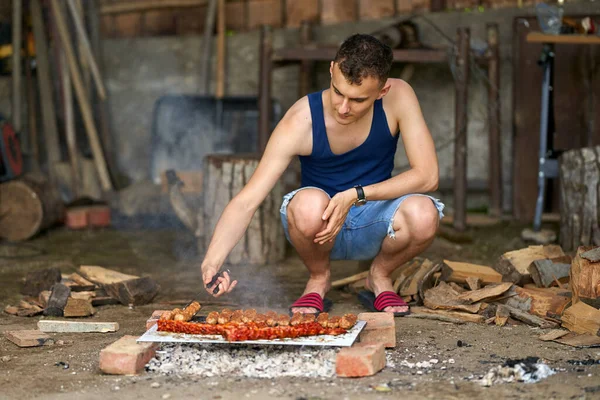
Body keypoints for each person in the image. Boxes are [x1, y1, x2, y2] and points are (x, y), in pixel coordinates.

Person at [200, 33, 444, 315]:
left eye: (358, 100)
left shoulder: (399, 96)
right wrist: (212, 261)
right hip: (320, 227)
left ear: (382, 92)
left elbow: (428, 176)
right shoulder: (301, 119)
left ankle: (379, 276)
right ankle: (318, 278)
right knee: (306, 205)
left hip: (375, 220)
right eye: (338, 92)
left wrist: (355, 195)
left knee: (424, 214)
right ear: (331, 70)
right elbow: (247, 200)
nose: (343, 107)